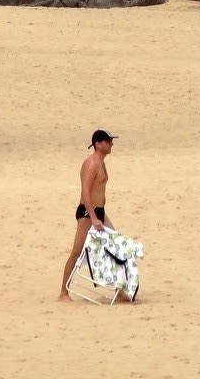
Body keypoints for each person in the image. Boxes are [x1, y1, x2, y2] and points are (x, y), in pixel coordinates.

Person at [59, 128, 121, 302]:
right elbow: (85, 191)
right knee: (77, 252)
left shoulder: (101, 162)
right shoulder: (91, 163)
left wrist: (99, 215)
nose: (111, 144)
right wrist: (93, 217)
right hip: (88, 212)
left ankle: (120, 291)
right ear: (98, 144)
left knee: (115, 246)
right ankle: (63, 293)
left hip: (100, 211)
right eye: (108, 141)